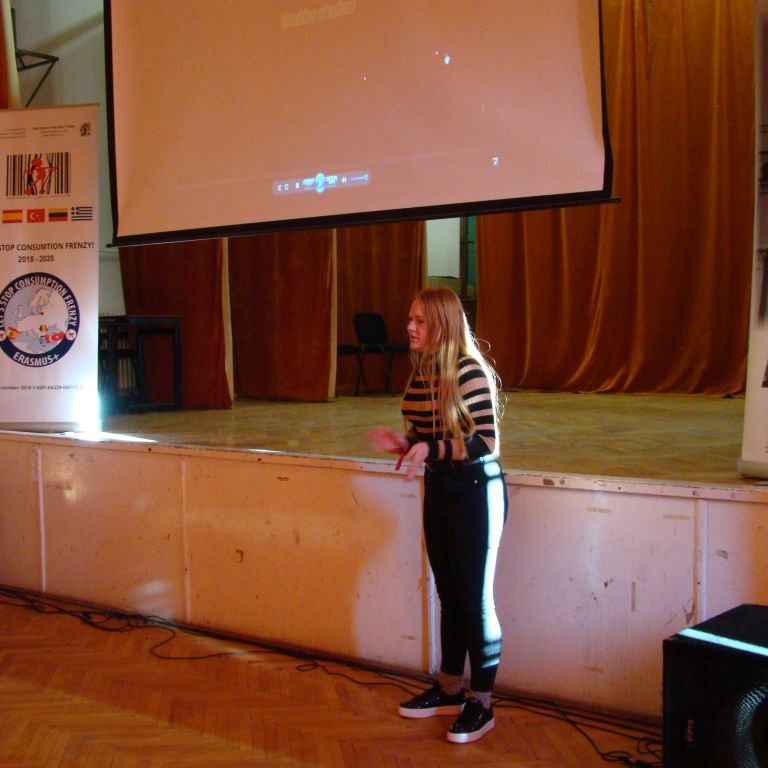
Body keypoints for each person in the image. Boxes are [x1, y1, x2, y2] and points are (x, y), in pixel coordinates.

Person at [368, 287, 508, 744]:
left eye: (420, 321)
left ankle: (482, 704)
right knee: (450, 596)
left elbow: (486, 442)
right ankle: (450, 691)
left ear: (443, 325)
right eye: (410, 318)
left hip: (476, 492)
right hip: (442, 489)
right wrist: (406, 444)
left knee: (475, 601)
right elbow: (429, 435)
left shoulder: (469, 371)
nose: (409, 327)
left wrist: (431, 449)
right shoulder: (424, 369)